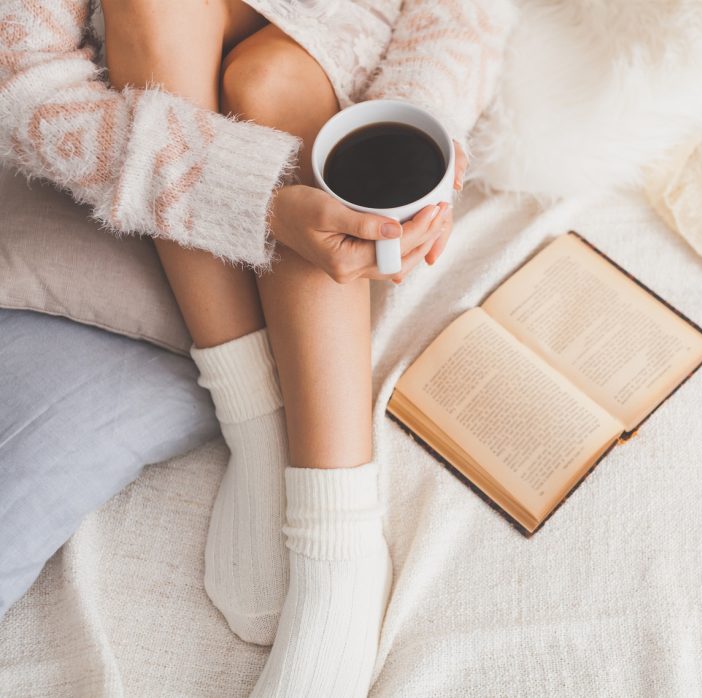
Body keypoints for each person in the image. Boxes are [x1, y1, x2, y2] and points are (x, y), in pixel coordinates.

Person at [0, 0, 515, 693]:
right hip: (139, 50)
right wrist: (256, 201)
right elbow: (26, 87)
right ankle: (256, 417)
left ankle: (342, 546)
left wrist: (411, 134)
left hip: (350, 33)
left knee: (273, 81)